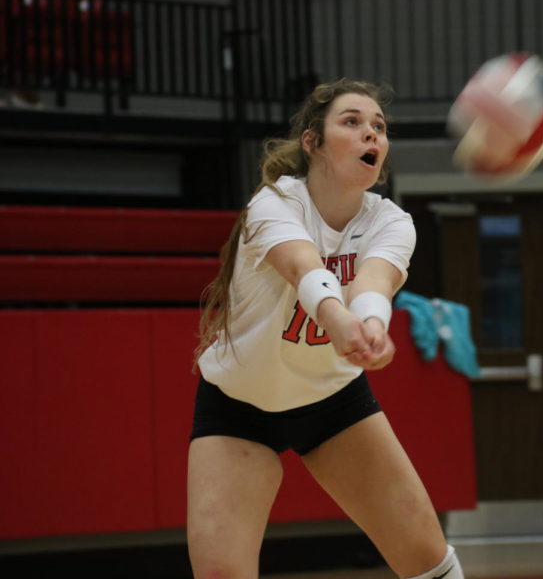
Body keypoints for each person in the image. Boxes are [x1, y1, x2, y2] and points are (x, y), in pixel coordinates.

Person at [188, 78, 464, 579]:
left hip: (335, 403)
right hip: (236, 408)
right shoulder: (273, 203)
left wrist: (374, 325)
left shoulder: (393, 222)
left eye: (378, 127)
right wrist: (339, 320)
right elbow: (302, 267)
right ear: (312, 143)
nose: (371, 136)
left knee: (429, 561)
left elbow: (374, 283)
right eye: (352, 122)